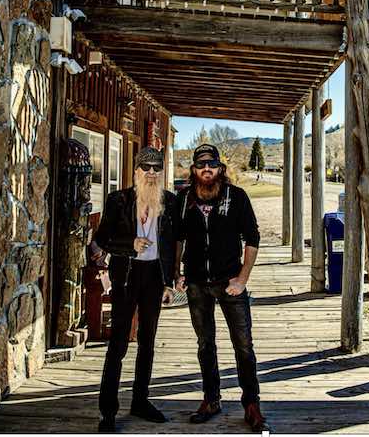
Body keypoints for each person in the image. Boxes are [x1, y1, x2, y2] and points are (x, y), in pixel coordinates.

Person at [176, 144, 270, 432]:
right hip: (196, 283)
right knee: (205, 344)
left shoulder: (236, 196)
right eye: (201, 165)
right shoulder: (183, 199)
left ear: (220, 169)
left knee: (243, 344)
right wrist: (175, 272)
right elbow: (177, 238)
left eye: (212, 165)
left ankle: (251, 404)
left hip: (229, 282)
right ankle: (211, 399)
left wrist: (242, 279)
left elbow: (252, 238)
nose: (207, 169)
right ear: (194, 170)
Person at [94, 147, 179, 433]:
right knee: (117, 343)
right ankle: (107, 411)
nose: (152, 173)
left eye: (157, 168)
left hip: (154, 276)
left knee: (148, 342)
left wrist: (170, 281)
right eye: (146, 168)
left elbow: (173, 245)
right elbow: (103, 239)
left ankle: (140, 401)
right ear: (136, 171)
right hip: (126, 277)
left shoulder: (170, 202)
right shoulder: (118, 200)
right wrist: (130, 244)